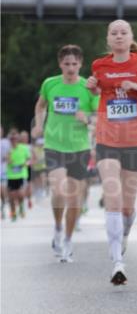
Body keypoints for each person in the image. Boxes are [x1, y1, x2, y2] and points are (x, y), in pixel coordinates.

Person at [86, 20, 137, 285]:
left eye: (123, 32)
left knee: (127, 206)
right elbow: (100, 92)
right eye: (114, 33)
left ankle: (124, 233)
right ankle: (117, 263)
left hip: (136, 140)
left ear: (131, 37)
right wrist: (93, 88)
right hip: (107, 139)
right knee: (112, 197)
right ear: (108, 39)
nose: (119, 36)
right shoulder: (99, 66)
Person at [33, 44, 98, 261]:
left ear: (80, 64)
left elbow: (100, 116)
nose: (71, 68)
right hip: (54, 145)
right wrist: (39, 125)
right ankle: (58, 228)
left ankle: (68, 241)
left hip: (79, 147)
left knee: (74, 197)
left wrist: (87, 119)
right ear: (60, 64)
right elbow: (40, 106)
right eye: (67, 64)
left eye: (75, 64)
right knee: (59, 192)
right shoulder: (50, 84)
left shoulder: (88, 87)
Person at [6, 129, 31, 221]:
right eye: (11, 139)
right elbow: (5, 160)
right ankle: (13, 213)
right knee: (11, 195)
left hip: (22, 174)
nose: (13, 140)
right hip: (11, 175)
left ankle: (21, 206)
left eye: (15, 138)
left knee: (20, 194)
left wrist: (26, 164)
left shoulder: (23, 148)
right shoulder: (8, 149)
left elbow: (29, 159)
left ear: (18, 139)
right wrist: (7, 159)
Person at [1, 126, 10, 219]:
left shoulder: (6, 142)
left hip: (3, 171)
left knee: (2, 190)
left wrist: (7, 157)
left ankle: (3, 205)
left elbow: (10, 154)